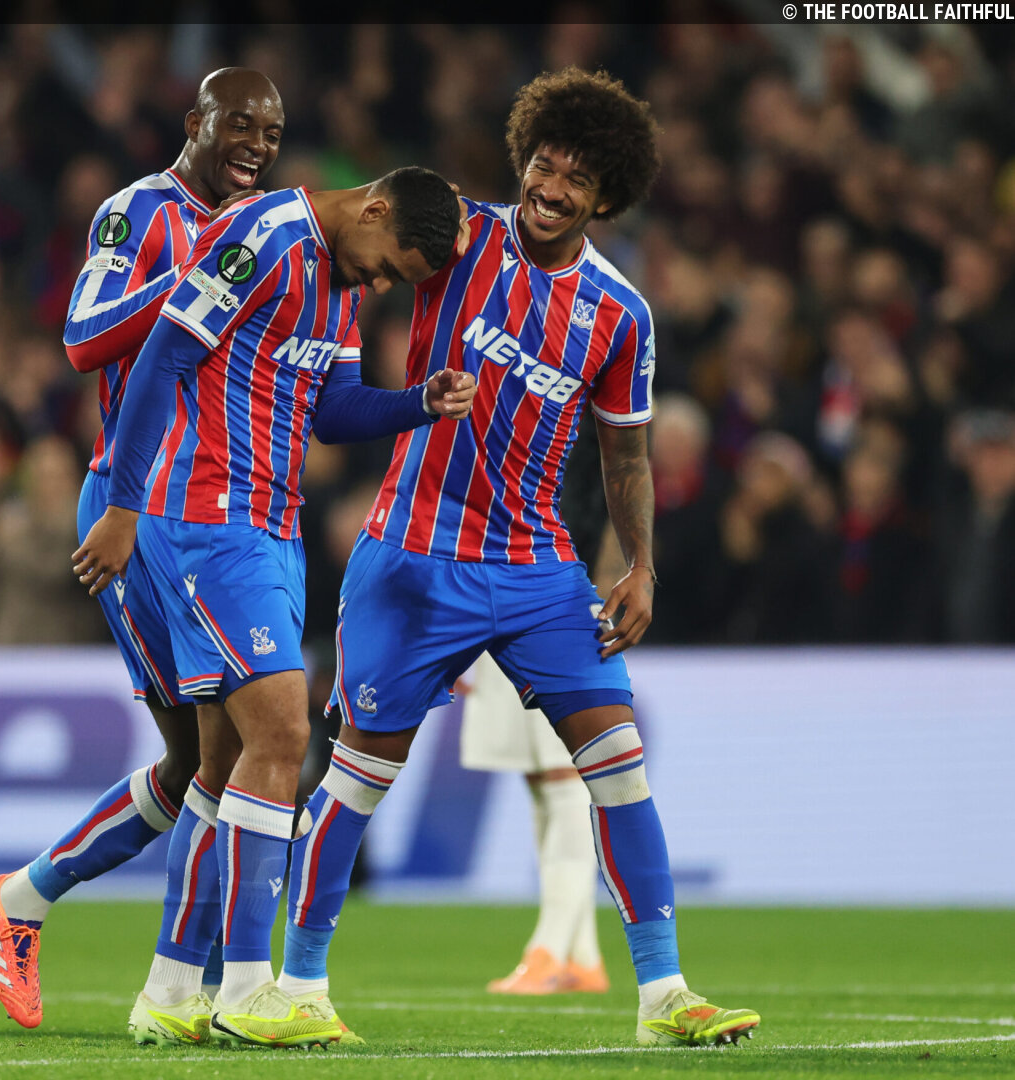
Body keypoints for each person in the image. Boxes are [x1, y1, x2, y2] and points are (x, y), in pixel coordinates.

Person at [279, 68, 761, 1048]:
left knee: (618, 768)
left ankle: (664, 996)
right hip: (412, 556)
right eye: (544, 162)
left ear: (606, 198)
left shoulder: (621, 312)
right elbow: (355, 244)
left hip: (540, 568)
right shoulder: (458, 238)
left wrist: (640, 567)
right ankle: (296, 985)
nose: (551, 186)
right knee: (358, 779)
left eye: (577, 178)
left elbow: (626, 454)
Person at [73, 167, 471, 1048]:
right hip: (208, 516)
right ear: (372, 208)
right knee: (285, 734)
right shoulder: (263, 238)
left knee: (223, 762)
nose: (379, 284)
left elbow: (331, 410)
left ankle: (171, 990)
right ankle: (250, 986)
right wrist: (124, 506)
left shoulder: (339, 279)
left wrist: (418, 403)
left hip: (270, 526)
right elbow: (163, 357)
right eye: (386, 266)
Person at [0, 68, 285, 1035]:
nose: (257, 145)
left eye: (272, 132)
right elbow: (83, 336)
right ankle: (189, 978)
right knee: (213, 753)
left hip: (215, 512)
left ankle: (39, 906)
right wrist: (196, 280)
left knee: (210, 754)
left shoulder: (266, 226)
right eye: (240, 124)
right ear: (196, 122)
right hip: (138, 507)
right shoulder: (137, 213)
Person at [460, 654, 610, 995]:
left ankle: (548, 951)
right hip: (494, 637)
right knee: (540, 776)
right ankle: (582, 958)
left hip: (553, 632)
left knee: (565, 772)